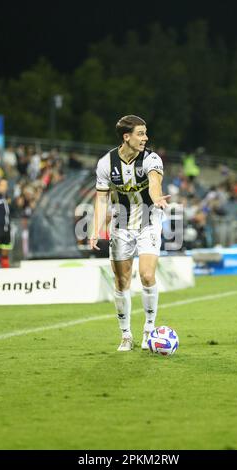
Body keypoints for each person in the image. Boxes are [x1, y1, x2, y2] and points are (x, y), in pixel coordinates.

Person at [90, 115, 170, 351]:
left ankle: (149, 330)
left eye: (146, 133)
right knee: (121, 281)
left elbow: (155, 183)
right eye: (140, 133)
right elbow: (101, 199)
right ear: (127, 137)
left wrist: (156, 198)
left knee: (146, 275)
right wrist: (96, 229)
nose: (145, 138)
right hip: (121, 224)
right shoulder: (106, 163)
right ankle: (126, 334)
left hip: (149, 220)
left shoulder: (151, 159)